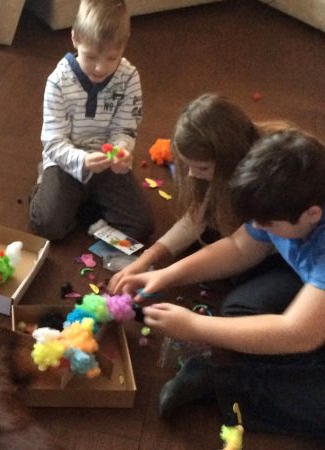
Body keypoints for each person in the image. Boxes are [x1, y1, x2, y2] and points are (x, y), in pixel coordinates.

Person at [114, 129, 325, 438]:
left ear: (312, 214)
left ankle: (222, 384)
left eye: (268, 225)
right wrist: (166, 274)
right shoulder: (283, 201)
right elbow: (239, 248)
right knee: (242, 312)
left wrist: (194, 326)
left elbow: (298, 333)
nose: (260, 229)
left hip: (306, 320)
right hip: (310, 287)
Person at [109, 93, 295, 293]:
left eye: (203, 168)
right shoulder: (230, 164)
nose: (192, 174)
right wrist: (148, 257)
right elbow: (196, 218)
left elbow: (241, 248)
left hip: (282, 254)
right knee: (202, 240)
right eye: (188, 165)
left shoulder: (266, 182)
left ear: (230, 160)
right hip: (251, 240)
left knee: (240, 282)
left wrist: (166, 275)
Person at [28, 0, 154, 242]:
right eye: (91, 56)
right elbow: (53, 142)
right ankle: (46, 185)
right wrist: (82, 160)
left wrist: (121, 150)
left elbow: (125, 128)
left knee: (142, 226)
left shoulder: (129, 78)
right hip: (66, 162)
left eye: (112, 58)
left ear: (123, 46)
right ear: (75, 39)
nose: (100, 68)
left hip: (105, 164)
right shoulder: (58, 81)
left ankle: (83, 202)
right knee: (47, 225)